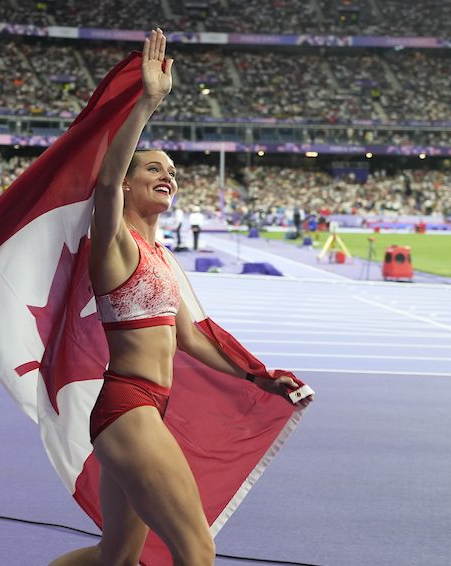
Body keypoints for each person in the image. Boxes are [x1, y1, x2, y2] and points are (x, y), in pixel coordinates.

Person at [50, 30, 311, 566]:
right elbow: (103, 187)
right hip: (129, 407)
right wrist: (147, 103)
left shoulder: (162, 254)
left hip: (147, 408)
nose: (168, 175)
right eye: (153, 168)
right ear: (126, 183)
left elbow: (188, 337)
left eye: (172, 171)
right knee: (196, 552)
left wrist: (255, 375)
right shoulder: (115, 244)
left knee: (116, 558)